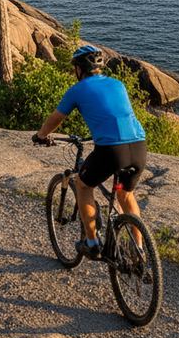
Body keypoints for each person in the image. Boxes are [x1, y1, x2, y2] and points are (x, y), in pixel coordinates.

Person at [32, 44, 147, 260]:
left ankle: (92, 243)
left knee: (83, 185)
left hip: (112, 151)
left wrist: (41, 135)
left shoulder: (77, 90)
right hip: (139, 146)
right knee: (125, 193)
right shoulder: (118, 84)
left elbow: (57, 118)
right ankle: (138, 249)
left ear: (79, 69)